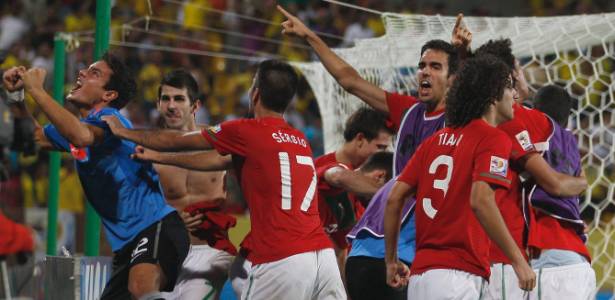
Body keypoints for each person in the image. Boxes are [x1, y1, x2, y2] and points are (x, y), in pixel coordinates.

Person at [102, 59, 346, 300]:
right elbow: (219, 161)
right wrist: (159, 157)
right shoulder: (299, 139)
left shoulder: (245, 131)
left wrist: (122, 131)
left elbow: (178, 140)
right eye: (166, 99)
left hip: (280, 255)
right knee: (240, 272)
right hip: (321, 256)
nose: (171, 105)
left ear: (255, 93)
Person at [278, 7, 471, 299]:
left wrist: (463, 56)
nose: (424, 72)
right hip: (383, 253)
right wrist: (309, 36)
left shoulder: (459, 120)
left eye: (435, 66)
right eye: (422, 65)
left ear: (452, 78)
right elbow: (350, 81)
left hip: (400, 253)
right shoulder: (408, 111)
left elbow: (474, 93)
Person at [2, 53, 189, 300]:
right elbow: (33, 136)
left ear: (108, 95)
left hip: (157, 227)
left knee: (141, 288)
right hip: (127, 247)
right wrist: (17, 96)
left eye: (94, 73)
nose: (82, 73)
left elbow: (82, 136)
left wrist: (37, 90)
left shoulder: (112, 120)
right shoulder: (77, 128)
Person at [384, 54, 536, 299]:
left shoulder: (432, 142)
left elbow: (393, 199)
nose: (515, 95)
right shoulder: (493, 138)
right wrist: (519, 261)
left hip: (421, 277)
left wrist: (390, 261)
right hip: (457, 276)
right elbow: (481, 200)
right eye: (509, 87)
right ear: (493, 95)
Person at [474, 39, 591, 300]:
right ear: (511, 77)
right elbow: (557, 185)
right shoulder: (549, 130)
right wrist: (582, 182)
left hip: (526, 254)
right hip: (556, 256)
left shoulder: (505, 119)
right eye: (520, 68)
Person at [151, 70, 235, 300]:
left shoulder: (221, 142)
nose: (171, 105)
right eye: (165, 99)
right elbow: (139, 207)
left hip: (209, 252)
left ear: (195, 106)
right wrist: (170, 221)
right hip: (162, 254)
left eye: (179, 99)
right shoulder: (149, 150)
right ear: (158, 104)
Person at [315, 107, 392, 275]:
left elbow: (341, 249)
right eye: (380, 147)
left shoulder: (358, 185)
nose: (383, 153)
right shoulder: (326, 168)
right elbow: (338, 176)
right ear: (360, 139)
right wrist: (396, 194)